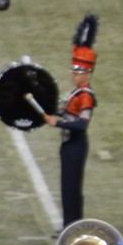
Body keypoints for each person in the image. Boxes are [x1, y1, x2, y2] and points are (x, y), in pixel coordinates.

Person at [41, 14, 98, 224]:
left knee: (72, 188)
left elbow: (81, 124)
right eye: (73, 70)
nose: (74, 75)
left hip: (76, 146)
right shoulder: (75, 93)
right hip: (67, 145)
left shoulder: (86, 96)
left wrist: (58, 122)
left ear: (88, 73)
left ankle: (73, 225)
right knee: (66, 188)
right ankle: (68, 224)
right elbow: (66, 114)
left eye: (79, 71)